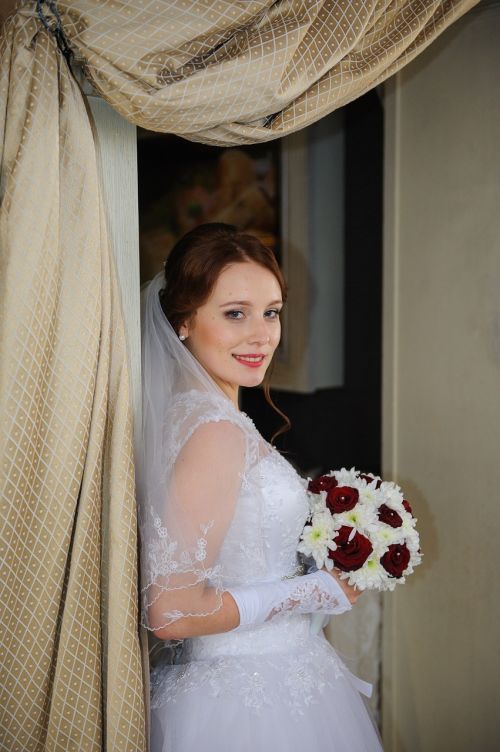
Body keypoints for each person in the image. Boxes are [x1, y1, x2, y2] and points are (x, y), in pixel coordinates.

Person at [135, 223, 383, 751]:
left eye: (270, 311)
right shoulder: (215, 432)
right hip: (249, 700)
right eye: (234, 313)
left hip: (263, 677)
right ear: (182, 322)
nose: (261, 334)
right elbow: (171, 611)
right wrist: (312, 592)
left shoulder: (188, 417)